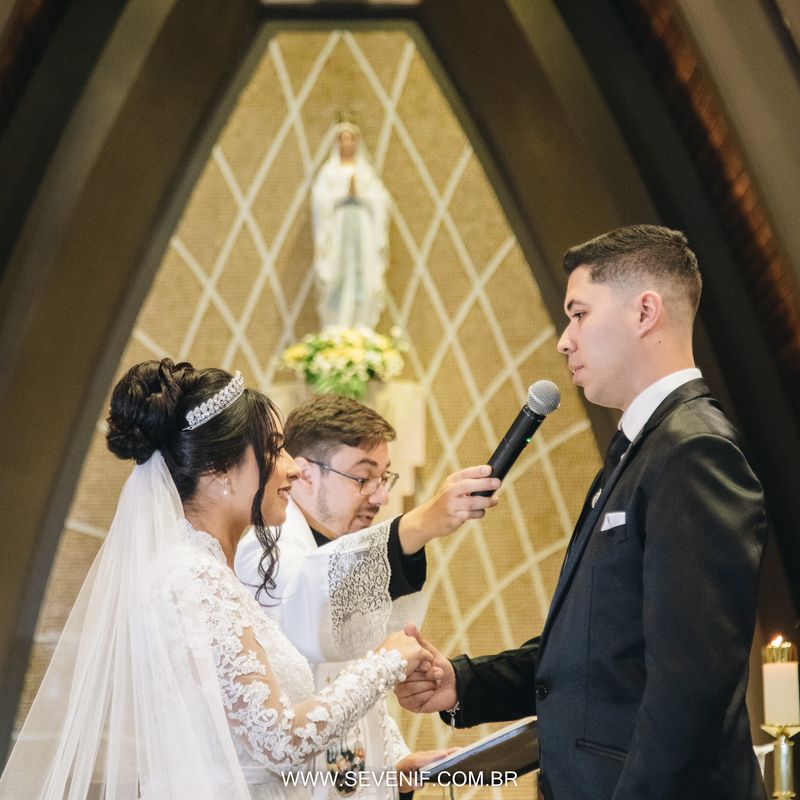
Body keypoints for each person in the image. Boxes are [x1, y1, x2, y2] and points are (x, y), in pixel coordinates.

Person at [0, 359, 498, 799]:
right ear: (219, 472)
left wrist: (385, 771)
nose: (290, 469)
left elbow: (258, 740)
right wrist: (388, 660)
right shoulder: (194, 577)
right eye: (275, 451)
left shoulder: (202, 571)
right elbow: (278, 742)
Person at [396, 225, 767, 800]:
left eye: (579, 314)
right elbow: (603, 652)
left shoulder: (695, 452)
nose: (564, 341)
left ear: (645, 311)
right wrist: (463, 683)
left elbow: (690, 685)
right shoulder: (643, 449)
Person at [237, 395, 469, 799]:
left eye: (384, 479)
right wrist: (420, 524)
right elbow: (312, 644)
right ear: (304, 473)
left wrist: (394, 762)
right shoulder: (265, 549)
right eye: (363, 479)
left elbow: (348, 675)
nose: (379, 498)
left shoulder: (334, 549)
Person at [311, 123, 390, 330]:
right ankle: (337, 327)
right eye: (343, 139)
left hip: (362, 228)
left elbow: (380, 198)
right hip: (338, 229)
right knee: (338, 274)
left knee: (363, 274)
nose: (347, 143)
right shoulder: (330, 172)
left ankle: (361, 325)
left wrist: (360, 194)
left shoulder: (365, 171)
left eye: (351, 139)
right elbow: (320, 199)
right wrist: (343, 195)